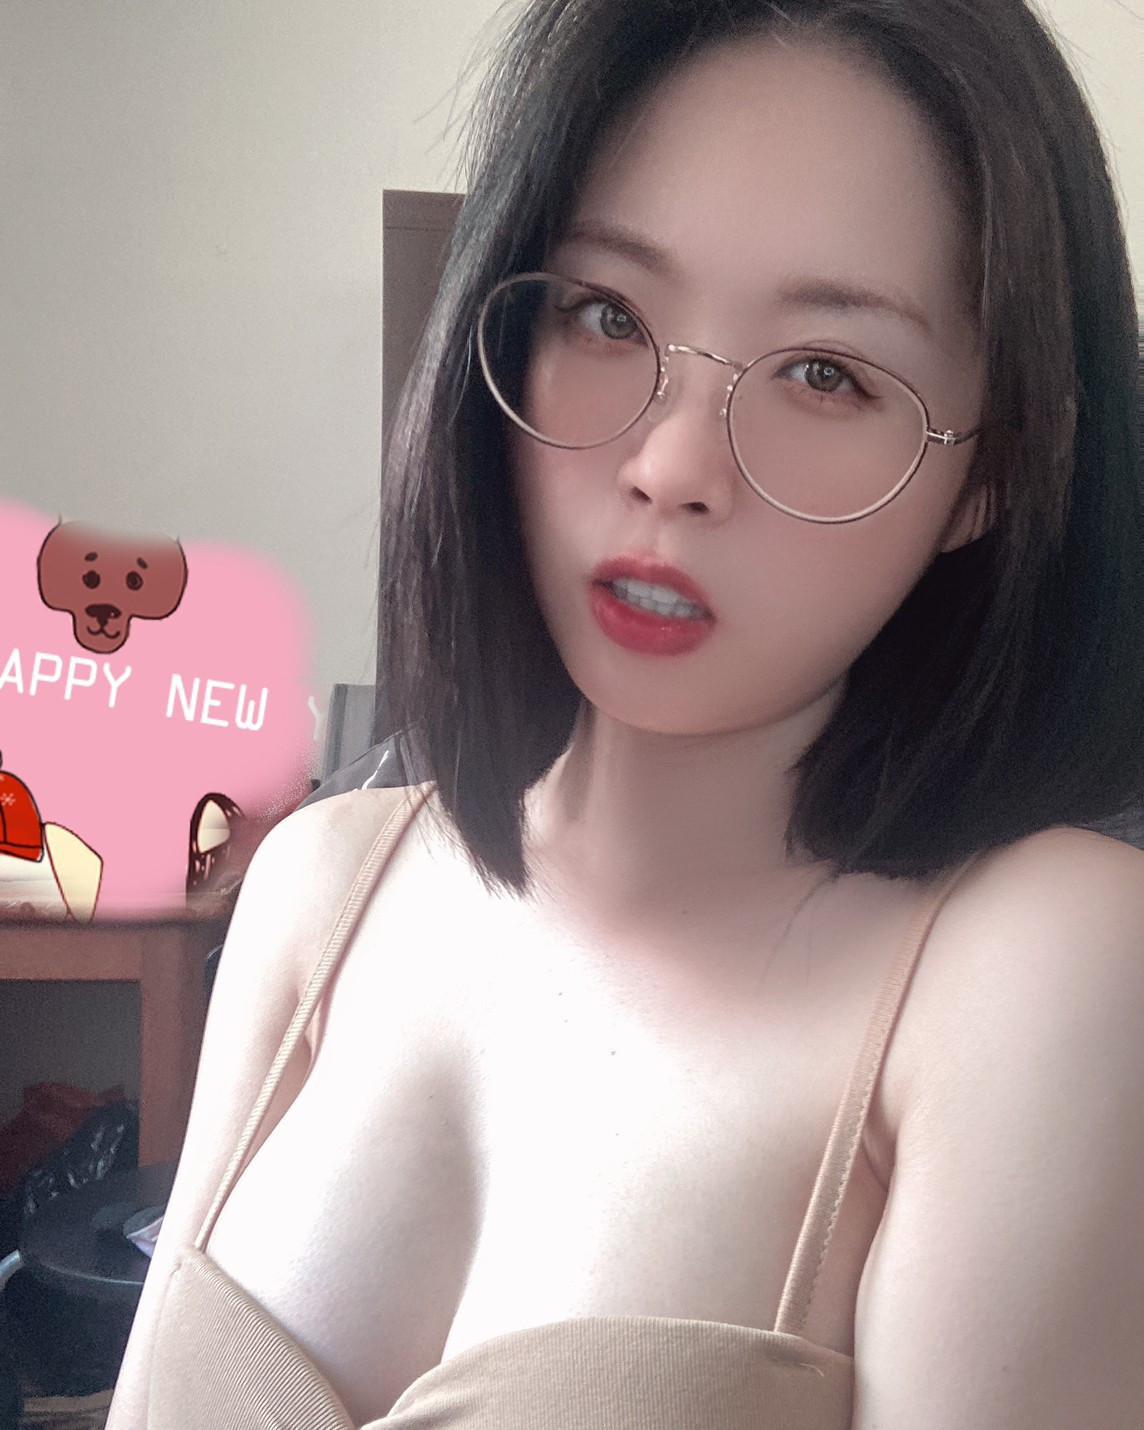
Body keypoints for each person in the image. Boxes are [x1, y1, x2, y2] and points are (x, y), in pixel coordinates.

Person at [108, 0, 1144, 1425]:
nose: (671, 464)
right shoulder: (316, 886)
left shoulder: (1038, 967)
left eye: (826, 373)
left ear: (992, 481)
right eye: (607, 314)